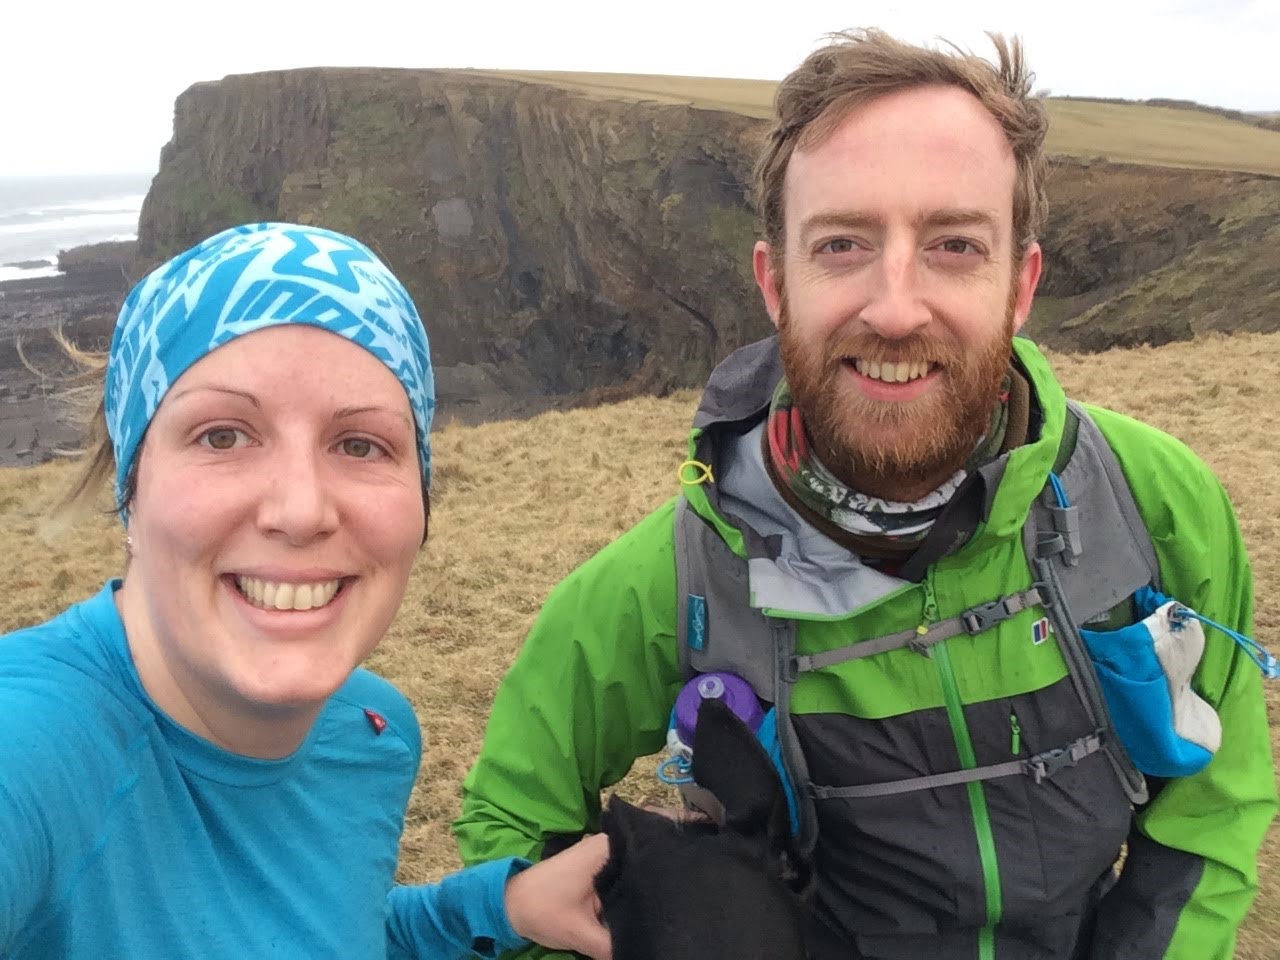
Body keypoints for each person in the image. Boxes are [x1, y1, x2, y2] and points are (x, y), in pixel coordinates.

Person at [455, 29, 1277, 960]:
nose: (894, 308)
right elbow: (508, 826)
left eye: (955, 245)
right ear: (776, 283)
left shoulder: (1154, 505)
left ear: (1021, 285)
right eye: (842, 244)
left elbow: (1215, 801)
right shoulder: (674, 580)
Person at [0, 222, 611, 960]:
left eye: (361, 444)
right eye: (222, 436)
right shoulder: (35, 751)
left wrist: (500, 904)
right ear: (132, 491)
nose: (300, 511)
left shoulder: (371, 732)